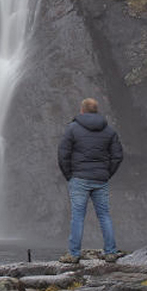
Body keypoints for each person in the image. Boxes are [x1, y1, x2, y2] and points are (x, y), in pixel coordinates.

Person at [57, 98, 123, 263]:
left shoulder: (72, 129)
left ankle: (73, 254)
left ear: (82, 111)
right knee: (104, 216)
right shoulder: (109, 131)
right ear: (96, 111)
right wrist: (107, 173)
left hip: (79, 178)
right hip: (100, 179)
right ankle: (110, 252)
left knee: (78, 217)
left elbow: (62, 154)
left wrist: (69, 175)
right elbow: (117, 156)